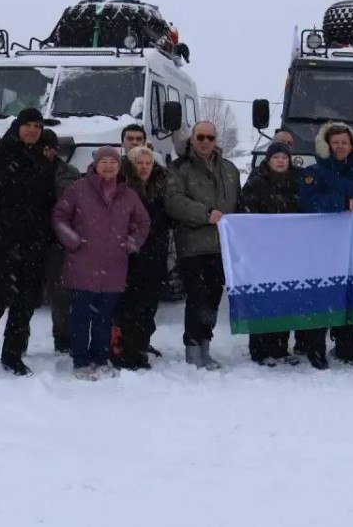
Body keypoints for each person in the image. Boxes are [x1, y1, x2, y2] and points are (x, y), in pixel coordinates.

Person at [0, 108, 56, 384]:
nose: (32, 130)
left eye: (37, 126)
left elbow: (48, 202)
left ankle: (12, 357)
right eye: (28, 125)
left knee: (24, 306)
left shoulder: (42, 162)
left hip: (32, 244)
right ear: (17, 127)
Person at [53, 146, 150, 380]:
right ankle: (80, 360)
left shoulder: (128, 194)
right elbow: (59, 216)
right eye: (104, 161)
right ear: (95, 165)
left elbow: (143, 222)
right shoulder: (78, 189)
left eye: (113, 162)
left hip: (113, 266)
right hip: (82, 265)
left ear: (119, 166)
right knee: (80, 317)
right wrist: (73, 241)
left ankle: (100, 358)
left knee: (104, 318)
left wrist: (130, 244)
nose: (108, 166)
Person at [166, 121, 243, 370]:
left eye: (210, 137)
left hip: (221, 247)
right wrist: (205, 213)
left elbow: (239, 205)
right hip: (193, 245)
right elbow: (173, 201)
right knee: (196, 297)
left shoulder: (230, 169)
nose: (205, 142)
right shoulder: (179, 168)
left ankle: (205, 346)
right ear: (192, 138)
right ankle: (192, 347)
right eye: (200, 137)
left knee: (213, 298)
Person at [298, 121, 353, 368]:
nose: (340, 146)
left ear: (352, 145)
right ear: (327, 145)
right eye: (336, 142)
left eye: (345, 142)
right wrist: (340, 202)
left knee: (348, 293)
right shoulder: (314, 172)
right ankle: (315, 348)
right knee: (321, 294)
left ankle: (346, 348)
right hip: (322, 245)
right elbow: (308, 202)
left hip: (351, 244)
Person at [241, 141, 303, 368]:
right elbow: (247, 214)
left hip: (288, 251)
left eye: (284, 157)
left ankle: (280, 347)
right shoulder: (256, 183)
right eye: (276, 157)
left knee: (284, 298)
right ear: (268, 160)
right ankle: (259, 349)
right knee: (263, 299)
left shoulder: (296, 182)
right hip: (263, 252)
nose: (281, 161)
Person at [113, 145, 173, 370]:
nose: (144, 167)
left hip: (155, 255)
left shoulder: (161, 188)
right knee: (129, 308)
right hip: (130, 257)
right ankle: (125, 351)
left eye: (148, 163)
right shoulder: (123, 188)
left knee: (149, 307)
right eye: (140, 163)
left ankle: (140, 346)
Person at [41, 128, 81, 354]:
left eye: (50, 148)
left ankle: (63, 338)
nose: (46, 152)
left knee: (61, 293)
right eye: (43, 147)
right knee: (23, 296)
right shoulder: (24, 169)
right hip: (29, 237)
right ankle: (17, 343)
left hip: (58, 239)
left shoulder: (69, 172)